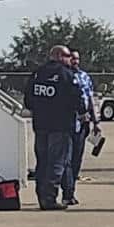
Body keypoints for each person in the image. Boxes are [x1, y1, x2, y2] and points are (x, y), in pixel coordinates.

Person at [24, 45, 84, 210]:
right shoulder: (67, 75)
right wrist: (81, 112)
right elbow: (78, 100)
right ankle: (49, 198)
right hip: (60, 126)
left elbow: (28, 100)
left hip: (41, 125)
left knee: (42, 162)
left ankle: (41, 196)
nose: (70, 59)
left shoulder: (37, 74)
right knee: (57, 163)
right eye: (67, 56)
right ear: (58, 56)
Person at [64, 49, 96, 207]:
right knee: (66, 160)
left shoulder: (84, 76)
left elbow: (90, 98)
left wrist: (96, 121)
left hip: (84, 123)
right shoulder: (65, 77)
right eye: (72, 59)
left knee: (77, 159)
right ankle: (66, 192)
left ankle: (71, 191)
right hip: (68, 123)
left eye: (77, 59)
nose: (75, 61)